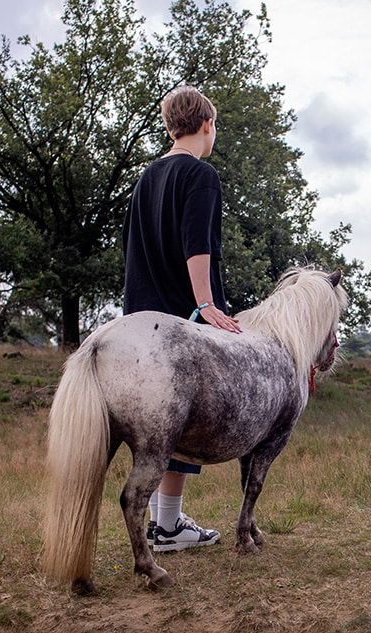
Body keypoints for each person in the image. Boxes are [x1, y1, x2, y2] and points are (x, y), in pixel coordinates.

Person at [122, 85, 241, 552]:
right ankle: (168, 527)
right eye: (216, 126)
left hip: (139, 321)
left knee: (154, 429)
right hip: (179, 316)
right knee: (182, 423)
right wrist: (206, 305)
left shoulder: (145, 178)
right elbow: (198, 247)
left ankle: (161, 525)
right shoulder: (201, 175)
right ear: (206, 125)